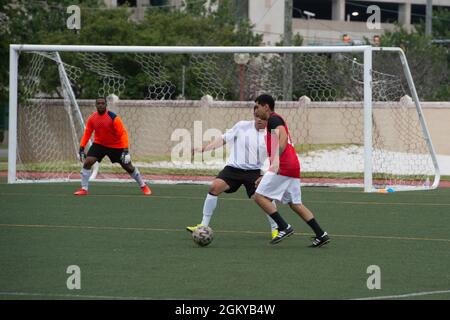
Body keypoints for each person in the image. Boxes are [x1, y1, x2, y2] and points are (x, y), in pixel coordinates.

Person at [186, 107, 279, 239]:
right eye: (257, 116)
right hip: (233, 169)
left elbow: (275, 158)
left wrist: (268, 175)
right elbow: (223, 138)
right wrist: (204, 149)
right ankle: (203, 226)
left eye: (263, 118)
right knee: (214, 187)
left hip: (253, 172)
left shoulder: (272, 135)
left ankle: (275, 228)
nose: (259, 120)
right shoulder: (241, 126)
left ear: (268, 119)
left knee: (264, 198)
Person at [253, 94, 330, 247]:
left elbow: (281, 140)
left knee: (259, 196)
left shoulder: (274, 120)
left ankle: (283, 227)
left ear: (266, 106)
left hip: (284, 166)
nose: (256, 110)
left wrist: (273, 166)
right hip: (292, 166)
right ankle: (321, 234)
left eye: (257, 106)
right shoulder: (273, 121)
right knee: (295, 204)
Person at [74, 97, 152, 196]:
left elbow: (123, 134)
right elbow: (87, 133)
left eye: (103, 103)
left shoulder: (113, 118)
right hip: (99, 144)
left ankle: (143, 186)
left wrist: (125, 150)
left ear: (106, 105)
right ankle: (84, 189)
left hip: (116, 146)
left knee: (128, 167)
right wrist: (81, 148)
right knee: (88, 162)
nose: (101, 105)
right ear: (96, 105)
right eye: (99, 103)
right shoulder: (92, 118)